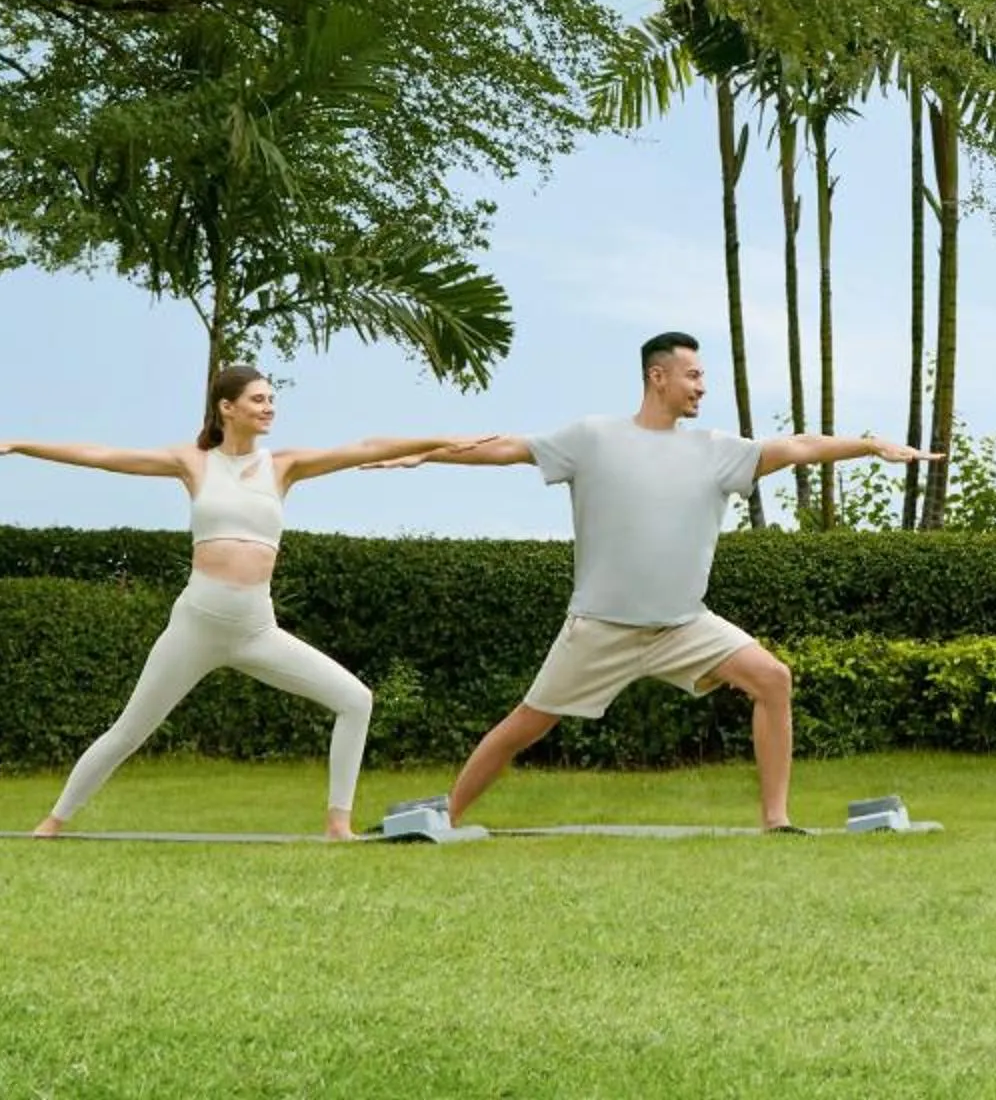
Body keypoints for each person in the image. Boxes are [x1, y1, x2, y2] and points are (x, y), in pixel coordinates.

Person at [398, 330, 932, 831]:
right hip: (600, 628)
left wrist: (867, 446)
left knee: (772, 679)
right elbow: (506, 448)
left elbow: (795, 445)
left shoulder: (716, 450)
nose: (702, 386)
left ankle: (776, 821)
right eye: (693, 375)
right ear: (658, 377)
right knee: (526, 726)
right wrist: (422, 452)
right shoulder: (592, 439)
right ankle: (448, 817)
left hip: (683, 626)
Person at [0, 363, 466, 839]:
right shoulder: (193, 462)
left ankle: (338, 825)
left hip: (255, 630)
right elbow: (102, 455)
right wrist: (22, 446)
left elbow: (367, 446)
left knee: (356, 700)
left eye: (272, 399)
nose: (269, 407)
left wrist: (442, 440)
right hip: (197, 626)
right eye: (258, 399)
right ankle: (52, 822)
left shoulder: (285, 465)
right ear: (227, 407)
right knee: (129, 730)